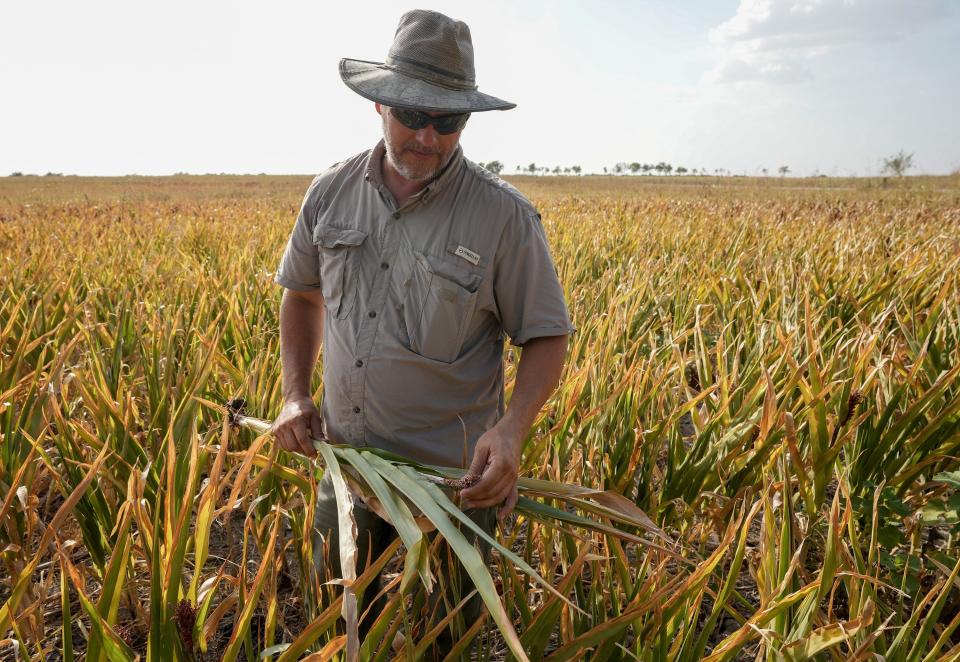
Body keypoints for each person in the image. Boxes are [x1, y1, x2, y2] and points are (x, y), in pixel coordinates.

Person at [271, 9, 573, 655]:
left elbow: (546, 336)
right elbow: (302, 294)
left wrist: (512, 430)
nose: (428, 137)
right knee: (342, 630)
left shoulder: (504, 217)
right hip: (347, 467)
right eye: (413, 114)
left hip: (453, 486)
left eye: (448, 121)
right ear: (379, 103)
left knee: (450, 641)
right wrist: (296, 393)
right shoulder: (329, 194)